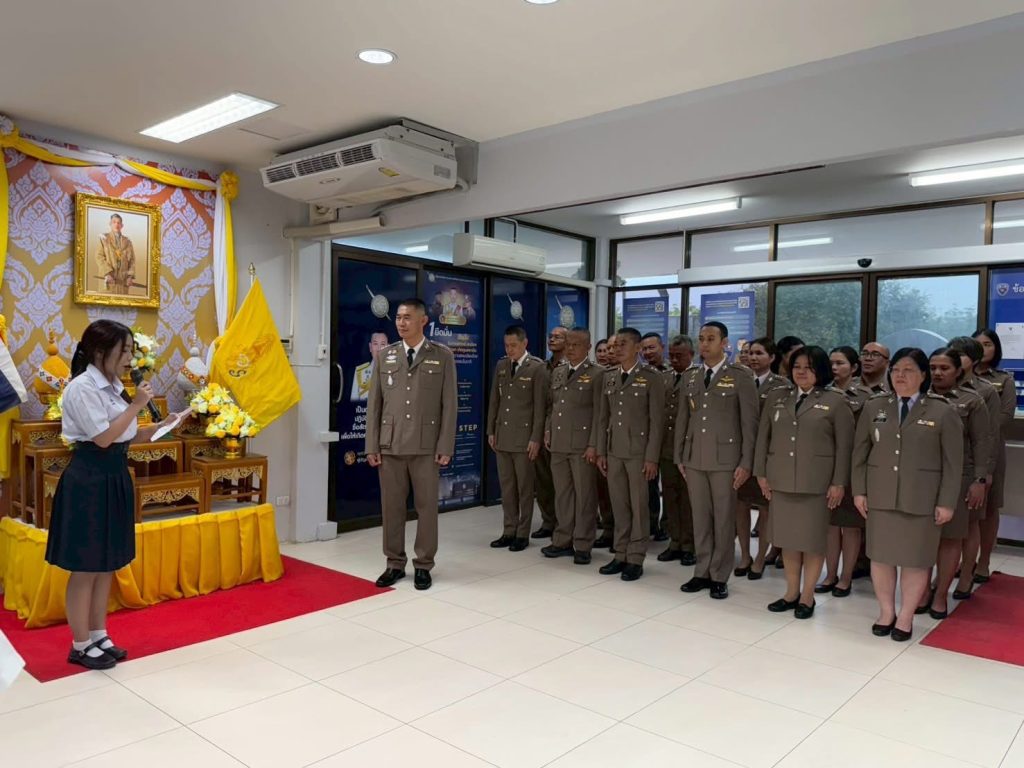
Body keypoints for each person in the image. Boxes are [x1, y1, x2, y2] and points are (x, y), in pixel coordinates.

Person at [45, 319, 178, 669]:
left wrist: (160, 427)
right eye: (125, 351)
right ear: (101, 351)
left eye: (132, 351)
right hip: (89, 479)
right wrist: (136, 405)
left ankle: (98, 634)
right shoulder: (82, 387)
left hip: (114, 475)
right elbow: (103, 438)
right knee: (85, 566)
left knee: (106, 564)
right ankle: (80, 644)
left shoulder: (115, 385)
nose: (130, 359)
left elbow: (125, 435)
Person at [852, 347, 962, 642]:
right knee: (881, 557)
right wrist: (859, 491)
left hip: (921, 499)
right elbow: (860, 453)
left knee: (915, 560)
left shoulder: (942, 410)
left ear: (923, 375)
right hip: (881, 495)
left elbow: (953, 464)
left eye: (909, 370)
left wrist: (946, 502)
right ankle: (886, 612)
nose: (900, 375)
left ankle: (906, 616)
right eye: (896, 370)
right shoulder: (875, 406)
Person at [754, 346, 854, 619]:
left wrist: (838, 482)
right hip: (781, 480)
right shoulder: (778, 397)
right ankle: (791, 593)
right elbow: (763, 438)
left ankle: (807, 596)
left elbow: (844, 447)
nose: (801, 372)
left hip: (816, 485)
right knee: (788, 540)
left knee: (811, 542)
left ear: (820, 370)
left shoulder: (836, 401)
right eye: (797, 367)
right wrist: (761, 473)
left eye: (808, 368)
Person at [366, 299, 457, 591]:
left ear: (423, 321)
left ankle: (423, 564)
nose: (401, 323)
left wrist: (445, 445)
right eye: (398, 318)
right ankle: (394, 563)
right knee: (392, 508)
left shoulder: (441, 356)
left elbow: (450, 405)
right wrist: (372, 445)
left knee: (427, 508)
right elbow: (374, 404)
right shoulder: (386, 355)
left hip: (426, 446)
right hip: (390, 445)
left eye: (407, 317)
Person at [677, 321, 758, 600]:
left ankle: (720, 574)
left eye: (711, 338)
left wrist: (746, 462)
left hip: (726, 460)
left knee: (723, 519)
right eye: (701, 338)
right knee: (700, 518)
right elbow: (683, 419)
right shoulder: (690, 376)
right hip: (695, 458)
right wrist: (680, 455)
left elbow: (749, 424)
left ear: (725, 343)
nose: (704, 343)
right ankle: (702, 570)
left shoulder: (740, 376)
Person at [917, 347, 989, 619]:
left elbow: (982, 442)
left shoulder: (971, 400)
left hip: (959, 476)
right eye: (933, 367)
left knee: (950, 538)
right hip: (923, 476)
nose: (937, 372)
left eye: (944, 368)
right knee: (924, 538)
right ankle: (922, 591)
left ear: (958, 370)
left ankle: (940, 595)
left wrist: (979, 480)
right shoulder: (919, 397)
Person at [595, 327, 664, 581]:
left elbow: (657, 422)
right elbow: (603, 418)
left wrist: (652, 457)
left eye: (623, 344)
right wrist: (601, 451)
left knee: (639, 507)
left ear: (637, 348)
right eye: (615, 344)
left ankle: (636, 557)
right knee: (619, 505)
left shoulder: (651, 377)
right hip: (615, 451)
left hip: (639, 453)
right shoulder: (610, 377)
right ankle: (620, 552)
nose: (617, 348)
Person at [946, 335, 1001, 599]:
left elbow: (988, 436)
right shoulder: (938, 386)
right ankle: (943, 575)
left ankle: (967, 574)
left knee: (970, 524)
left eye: (961, 354)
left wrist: (984, 474)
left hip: (971, 466)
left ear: (974, 359)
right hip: (943, 467)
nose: (955, 358)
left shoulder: (985, 391)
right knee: (945, 527)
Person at [816, 346, 873, 596]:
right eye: (831, 363)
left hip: (853, 467)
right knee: (829, 525)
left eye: (840, 363)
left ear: (854, 367)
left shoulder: (866, 396)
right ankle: (830, 574)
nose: (834, 367)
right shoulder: (821, 392)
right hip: (825, 465)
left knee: (850, 526)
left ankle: (846, 577)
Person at [542, 328, 602, 564]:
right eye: (568, 344)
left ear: (588, 347)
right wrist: (548, 429)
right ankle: (562, 540)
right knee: (563, 495)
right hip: (559, 442)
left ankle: (583, 543)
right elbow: (553, 405)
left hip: (582, 444)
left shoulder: (597, 374)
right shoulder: (559, 371)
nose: (570, 348)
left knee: (585, 496)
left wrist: (593, 444)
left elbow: (600, 414)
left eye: (576, 344)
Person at [487, 326, 549, 551]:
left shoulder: (537, 367)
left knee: (524, 489)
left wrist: (536, 438)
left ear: (525, 343)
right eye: (507, 345)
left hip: (524, 438)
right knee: (507, 488)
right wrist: (491, 430)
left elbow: (540, 408)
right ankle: (509, 530)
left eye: (513, 345)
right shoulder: (502, 365)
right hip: (503, 435)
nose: (509, 349)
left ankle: (522, 533)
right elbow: (495, 400)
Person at [737, 337, 793, 578]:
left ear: (772, 358)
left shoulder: (781, 385)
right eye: (750, 353)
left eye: (759, 353)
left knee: (765, 507)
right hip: (739, 453)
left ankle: (761, 556)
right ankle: (744, 555)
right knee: (740, 505)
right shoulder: (738, 379)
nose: (753, 357)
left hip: (767, 455)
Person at [972, 327, 1014, 585]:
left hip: (991, 449)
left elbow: (1005, 416)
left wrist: (978, 429)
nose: (982, 349)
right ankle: (963, 560)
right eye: (977, 344)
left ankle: (983, 561)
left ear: (996, 348)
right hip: (962, 448)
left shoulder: (1003, 379)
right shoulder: (959, 376)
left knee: (988, 508)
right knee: (964, 510)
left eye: (987, 344)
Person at [658, 335, 697, 565]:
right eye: (671, 356)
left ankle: (690, 544)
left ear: (691, 355)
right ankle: (675, 541)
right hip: (666, 448)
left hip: (690, 449)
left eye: (679, 356)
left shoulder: (697, 377)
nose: (673, 360)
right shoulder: (665, 377)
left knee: (688, 499)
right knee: (670, 496)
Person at [532, 326, 568, 540]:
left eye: (558, 337)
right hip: (541, 429)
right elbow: (537, 404)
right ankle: (548, 521)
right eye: (551, 336)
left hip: (563, 431)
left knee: (563, 484)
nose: (552, 339)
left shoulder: (571, 367)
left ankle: (565, 525)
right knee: (543, 481)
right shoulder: (541, 368)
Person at [641, 332, 669, 541]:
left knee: (668, 486)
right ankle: (650, 523)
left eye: (652, 347)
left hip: (668, 439)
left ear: (662, 347)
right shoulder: (640, 374)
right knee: (648, 485)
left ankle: (667, 526)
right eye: (644, 349)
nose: (647, 352)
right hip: (646, 439)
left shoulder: (672, 372)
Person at [593, 333, 617, 549]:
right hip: (604, 441)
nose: (608, 352)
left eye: (612, 348)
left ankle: (626, 535)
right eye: (605, 349)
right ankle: (609, 530)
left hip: (627, 444)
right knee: (604, 490)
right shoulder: (601, 375)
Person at [95, 213, 137, 295]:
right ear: (110, 224)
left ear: (122, 225)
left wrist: (130, 276)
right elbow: (99, 257)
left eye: (118, 222)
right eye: (114, 222)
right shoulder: (104, 239)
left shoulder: (127, 241)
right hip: (109, 280)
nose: (116, 224)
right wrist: (107, 273)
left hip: (123, 283)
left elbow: (132, 260)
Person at [351, 331, 389, 401]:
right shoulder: (360, 372)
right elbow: (354, 403)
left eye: (383, 344)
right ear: (370, 347)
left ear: (388, 347)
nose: (379, 349)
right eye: (375, 344)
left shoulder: (395, 371)